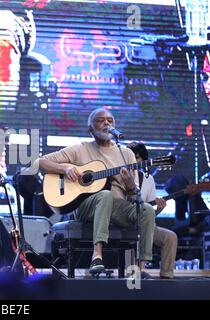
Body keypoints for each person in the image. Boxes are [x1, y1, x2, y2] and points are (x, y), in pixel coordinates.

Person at [37, 108, 156, 278]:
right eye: (100, 120)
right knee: (105, 195)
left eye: (110, 120)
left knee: (147, 210)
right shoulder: (80, 149)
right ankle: (97, 255)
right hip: (87, 207)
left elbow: (133, 195)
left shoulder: (127, 154)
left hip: (118, 208)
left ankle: (142, 267)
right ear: (90, 129)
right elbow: (40, 162)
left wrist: (130, 184)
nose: (106, 123)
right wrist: (66, 167)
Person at [127, 142, 177, 279]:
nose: (133, 161)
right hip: (124, 223)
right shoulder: (119, 176)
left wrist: (159, 209)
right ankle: (136, 273)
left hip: (144, 225)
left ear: (143, 160)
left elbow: (150, 213)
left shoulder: (148, 179)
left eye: (136, 157)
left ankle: (166, 276)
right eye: (129, 157)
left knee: (170, 237)